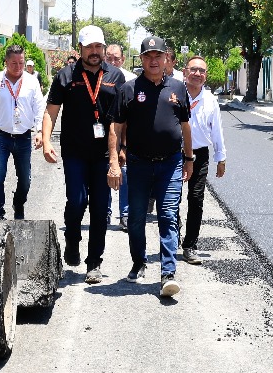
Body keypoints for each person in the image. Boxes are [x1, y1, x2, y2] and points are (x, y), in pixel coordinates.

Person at [110, 35, 193, 298]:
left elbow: (185, 126)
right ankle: (138, 261)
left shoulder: (179, 89)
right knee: (136, 218)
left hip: (170, 164)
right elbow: (117, 127)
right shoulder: (129, 90)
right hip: (139, 164)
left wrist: (189, 159)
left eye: (158, 56)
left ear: (166, 58)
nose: (154, 60)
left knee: (168, 215)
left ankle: (168, 272)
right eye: (148, 56)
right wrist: (114, 160)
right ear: (142, 60)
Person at [41, 25, 125, 284]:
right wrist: (45, 141)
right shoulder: (66, 75)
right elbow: (51, 111)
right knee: (77, 201)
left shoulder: (116, 76)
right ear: (80, 49)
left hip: (103, 154)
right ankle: (72, 240)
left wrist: (119, 152)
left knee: (101, 209)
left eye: (98, 47)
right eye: (89, 47)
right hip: (75, 152)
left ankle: (94, 263)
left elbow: (120, 120)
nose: (94, 52)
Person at [0, 44, 45, 220]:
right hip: (1, 136)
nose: (18, 67)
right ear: (6, 62)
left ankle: (18, 202)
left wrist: (39, 131)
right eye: (14, 63)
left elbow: (39, 108)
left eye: (21, 63)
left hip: (23, 137)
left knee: (25, 180)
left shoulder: (31, 82)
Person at [179, 55, 226, 265]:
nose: (197, 74)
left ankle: (190, 245)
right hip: (174, 154)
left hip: (200, 155)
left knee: (196, 199)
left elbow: (217, 130)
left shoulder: (211, 100)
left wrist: (221, 157)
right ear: (185, 71)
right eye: (193, 70)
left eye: (202, 71)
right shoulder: (174, 94)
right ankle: (171, 241)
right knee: (171, 200)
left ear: (205, 76)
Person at [105, 43, 134, 228]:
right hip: (102, 135)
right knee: (104, 173)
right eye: (109, 58)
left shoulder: (131, 81)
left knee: (124, 173)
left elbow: (130, 119)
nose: (113, 61)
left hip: (123, 136)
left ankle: (125, 213)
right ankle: (105, 212)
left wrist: (124, 146)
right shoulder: (99, 76)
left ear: (123, 59)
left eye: (116, 58)